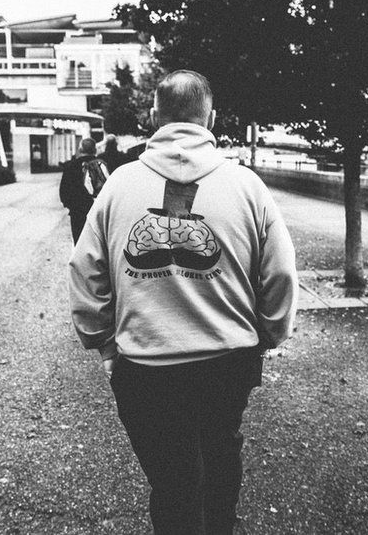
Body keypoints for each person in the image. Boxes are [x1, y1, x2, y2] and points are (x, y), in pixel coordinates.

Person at [69, 70, 298, 534]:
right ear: (210, 117)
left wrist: (104, 343)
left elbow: (84, 270)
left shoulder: (118, 186)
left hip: (147, 365)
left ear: (154, 116)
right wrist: (269, 334)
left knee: (172, 481)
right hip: (226, 361)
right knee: (219, 460)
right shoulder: (247, 186)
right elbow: (281, 274)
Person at [59, 138, 108, 244]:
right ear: (95, 150)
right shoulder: (101, 165)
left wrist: (72, 206)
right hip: (98, 213)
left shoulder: (70, 166)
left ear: (80, 149)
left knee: (80, 246)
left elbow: (63, 193)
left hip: (78, 214)